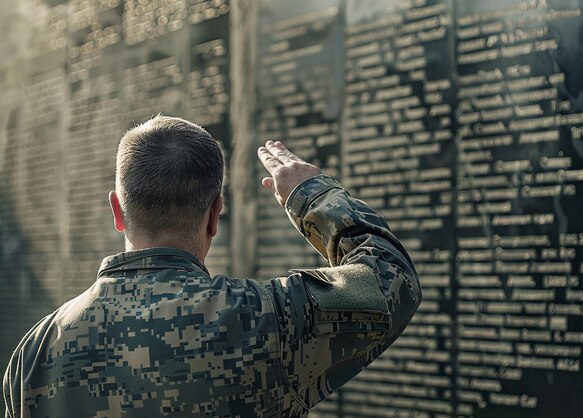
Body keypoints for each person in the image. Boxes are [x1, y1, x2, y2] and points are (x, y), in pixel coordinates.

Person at [3, 115, 421, 417]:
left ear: (117, 210)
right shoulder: (265, 320)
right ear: (214, 215)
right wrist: (311, 196)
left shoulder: (34, 354)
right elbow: (391, 279)